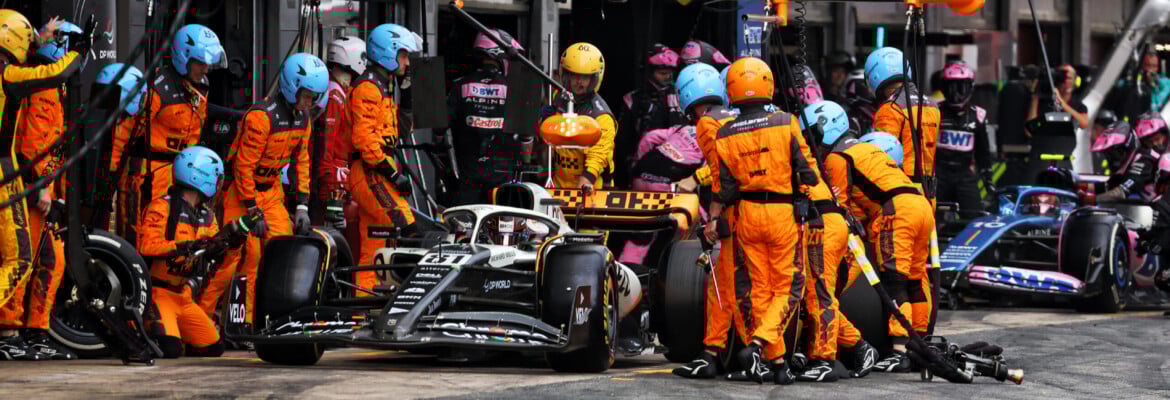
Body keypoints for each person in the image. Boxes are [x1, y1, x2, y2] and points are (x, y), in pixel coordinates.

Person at [704, 56, 816, 385]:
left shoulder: (724, 134)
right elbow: (806, 171)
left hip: (748, 216)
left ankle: (779, 364)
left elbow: (723, 188)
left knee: (762, 290)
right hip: (782, 214)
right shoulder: (785, 121)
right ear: (767, 84)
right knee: (790, 288)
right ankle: (757, 344)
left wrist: (712, 218)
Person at [202, 53, 325, 321]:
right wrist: (251, 209)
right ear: (292, 86)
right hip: (243, 194)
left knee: (282, 250)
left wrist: (302, 206)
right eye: (307, 95)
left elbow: (302, 162)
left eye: (314, 97)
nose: (310, 102)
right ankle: (204, 315)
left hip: (271, 192)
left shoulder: (303, 120)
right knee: (238, 257)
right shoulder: (262, 117)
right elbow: (243, 167)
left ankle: (264, 318)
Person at [0, 9, 89, 361]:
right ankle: (9, 330)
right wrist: (78, 50)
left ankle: (31, 331)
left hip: (25, 178)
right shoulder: (13, 77)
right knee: (20, 258)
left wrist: (44, 35)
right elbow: (54, 71)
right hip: (16, 178)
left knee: (38, 260)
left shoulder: (14, 73)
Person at [822, 130, 935, 373]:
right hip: (920, 205)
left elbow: (837, 205)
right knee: (914, 281)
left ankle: (899, 350)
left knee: (896, 283)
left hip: (897, 209)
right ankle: (920, 342)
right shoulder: (867, 149)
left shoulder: (838, 156)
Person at [109, 23, 226, 246]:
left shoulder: (201, 87)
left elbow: (196, 130)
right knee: (140, 237)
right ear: (184, 58)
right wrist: (110, 179)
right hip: (147, 177)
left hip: (183, 175)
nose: (206, 69)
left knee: (177, 237)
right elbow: (124, 136)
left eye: (208, 64)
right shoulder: (156, 89)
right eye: (201, 63)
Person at [795, 100, 881, 381]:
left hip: (834, 234)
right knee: (813, 297)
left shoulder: (834, 159)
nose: (809, 145)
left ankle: (827, 358)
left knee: (820, 297)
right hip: (840, 233)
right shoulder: (842, 155)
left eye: (812, 138)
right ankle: (843, 348)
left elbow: (838, 204)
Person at [139, 146, 249, 358]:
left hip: (183, 295)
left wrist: (233, 243)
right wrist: (184, 247)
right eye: (217, 179)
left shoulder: (207, 216)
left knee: (214, 348)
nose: (218, 186)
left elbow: (216, 258)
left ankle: (172, 331)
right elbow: (147, 247)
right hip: (158, 292)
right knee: (170, 350)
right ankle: (143, 326)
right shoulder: (160, 207)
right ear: (203, 177)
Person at [673, 65, 741, 380]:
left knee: (724, 285)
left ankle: (718, 353)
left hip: (739, 214)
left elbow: (721, 173)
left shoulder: (707, 123)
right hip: (774, 211)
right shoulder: (740, 118)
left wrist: (712, 215)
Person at [346, 23, 422, 288]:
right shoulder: (368, 88)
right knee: (408, 228)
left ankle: (363, 308)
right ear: (388, 53)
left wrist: (409, 90)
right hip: (370, 172)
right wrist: (392, 174)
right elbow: (364, 141)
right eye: (404, 55)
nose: (407, 62)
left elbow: (400, 131)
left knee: (373, 250)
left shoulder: (386, 85)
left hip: (379, 170)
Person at [620, 63, 712, 266]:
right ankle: (683, 272)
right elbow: (714, 168)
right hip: (669, 186)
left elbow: (649, 139)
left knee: (640, 236)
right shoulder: (714, 136)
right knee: (704, 226)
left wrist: (638, 164)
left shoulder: (681, 128)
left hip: (642, 176)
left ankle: (624, 275)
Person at [445, 28, 527, 205]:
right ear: (499, 54)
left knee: (466, 226)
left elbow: (440, 129)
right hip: (502, 175)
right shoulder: (515, 88)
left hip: (467, 173)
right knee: (501, 228)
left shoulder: (460, 85)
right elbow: (526, 135)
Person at [866, 47, 942, 208]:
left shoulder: (890, 108)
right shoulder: (932, 105)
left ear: (874, 75)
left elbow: (883, 157)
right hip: (929, 195)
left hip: (902, 194)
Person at [547, 42, 616, 191]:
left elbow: (596, 161)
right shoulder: (556, 99)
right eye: (574, 76)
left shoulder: (602, 116)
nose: (579, 82)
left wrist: (579, 193)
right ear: (565, 75)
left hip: (591, 190)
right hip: (558, 187)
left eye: (585, 77)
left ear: (595, 79)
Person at [616, 44, 685, 189]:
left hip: (674, 170)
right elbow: (622, 142)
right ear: (648, 73)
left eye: (670, 73)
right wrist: (632, 165)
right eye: (662, 73)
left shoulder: (681, 96)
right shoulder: (631, 100)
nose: (667, 77)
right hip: (640, 173)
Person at [317, 36, 366, 231]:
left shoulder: (333, 91)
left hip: (336, 176)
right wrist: (331, 188)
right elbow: (327, 146)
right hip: (334, 182)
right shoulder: (334, 97)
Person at [936, 61, 994, 215]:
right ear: (943, 88)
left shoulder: (979, 115)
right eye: (951, 87)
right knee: (927, 215)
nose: (956, 93)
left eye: (961, 87)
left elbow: (983, 152)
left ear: (970, 87)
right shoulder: (934, 112)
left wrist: (988, 180)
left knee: (974, 217)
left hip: (964, 174)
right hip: (938, 174)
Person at [1089, 122, 1160, 202]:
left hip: (1162, 208)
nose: (1113, 157)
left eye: (1115, 152)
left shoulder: (1145, 159)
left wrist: (1090, 200)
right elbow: (1108, 186)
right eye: (1110, 153)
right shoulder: (1128, 164)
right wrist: (1078, 185)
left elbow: (1120, 193)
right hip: (1152, 208)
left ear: (1126, 148)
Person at [1027, 64, 1088, 132]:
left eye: (1068, 78)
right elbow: (1030, 131)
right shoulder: (1044, 102)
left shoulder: (1078, 106)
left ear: (1076, 82)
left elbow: (1084, 124)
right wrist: (1035, 97)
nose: (1064, 81)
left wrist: (1062, 104)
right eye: (1061, 77)